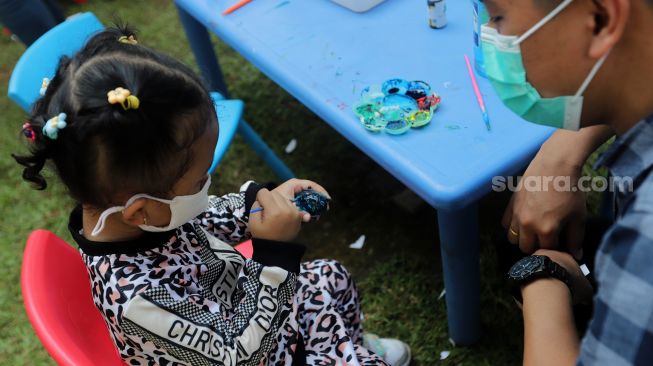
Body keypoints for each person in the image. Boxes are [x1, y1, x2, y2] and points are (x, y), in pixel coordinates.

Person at [12, 26, 411, 366]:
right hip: (246, 347)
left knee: (329, 277)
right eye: (199, 180)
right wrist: (272, 256)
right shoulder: (136, 300)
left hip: (252, 304)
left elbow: (201, 216)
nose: (206, 187)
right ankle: (346, 352)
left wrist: (258, 200)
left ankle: (346, 343)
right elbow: (237, 354)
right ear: (140, 211)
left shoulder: (145, 215)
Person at [482, 0, 653, 364]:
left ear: (602, 19)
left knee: (526, 253)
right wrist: (561, 153)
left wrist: (543, 277)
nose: (490, 39)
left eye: (498, 17)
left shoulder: (644, 240)